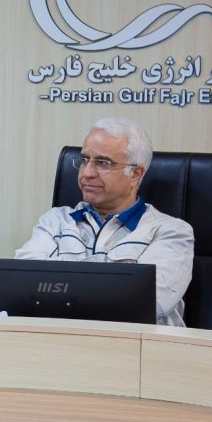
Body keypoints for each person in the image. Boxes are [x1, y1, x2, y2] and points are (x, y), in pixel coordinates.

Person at [14, 117, 193, 327]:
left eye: (102, 163)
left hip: (137, 344)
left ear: (135, 174)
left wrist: (61, 279)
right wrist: (113, 282)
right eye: (84, 160)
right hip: (60, 340)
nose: (87, 173)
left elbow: (148, 304)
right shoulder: (56, 221)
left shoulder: (170, 231)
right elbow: (24, 285)